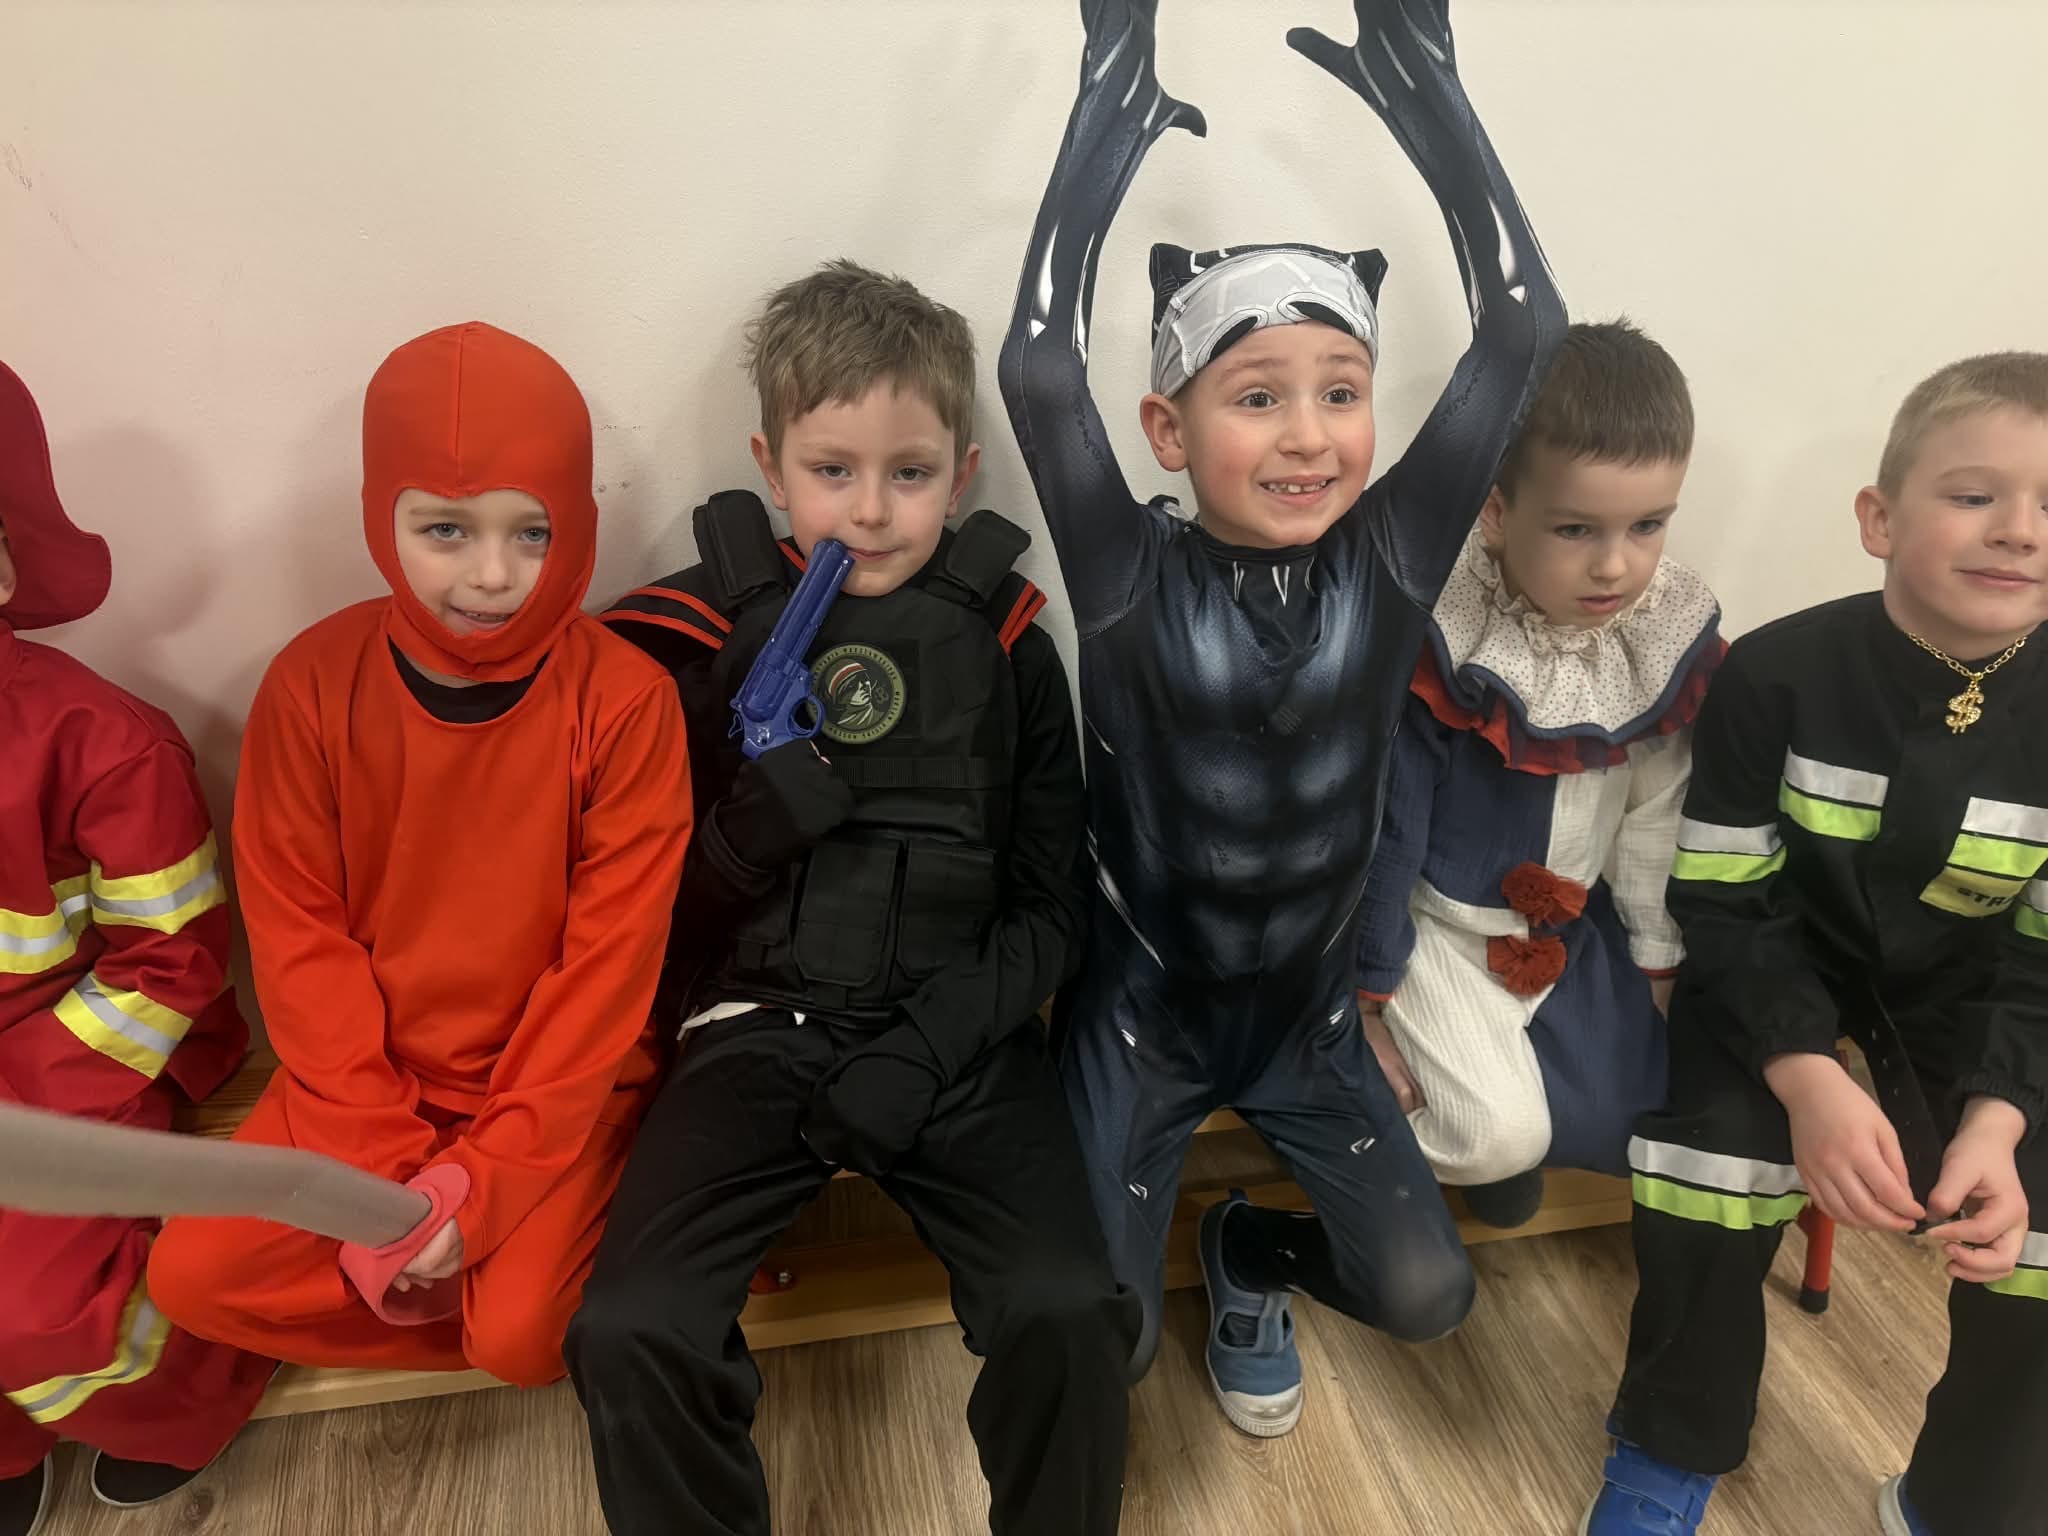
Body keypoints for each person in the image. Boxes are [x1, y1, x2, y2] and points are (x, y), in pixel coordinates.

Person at [998, 0, 1566, 1437]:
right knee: (1111, 1351)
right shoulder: (1125, 573)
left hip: (1306, 1023)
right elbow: (1037, 368)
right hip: (1144, 1018)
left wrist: (1437, 104)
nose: (1308, 434)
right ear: (1168, 431)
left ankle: (1246, 1250)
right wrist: (1101, 115)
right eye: (1257, 397)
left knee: (1428, 1293)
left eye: (1340, 393)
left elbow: (1524, 329)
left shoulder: (1389, 561)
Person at [566, 261, 1136, 1536]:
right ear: (770, 468)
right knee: (630, 1326)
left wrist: (923, 1052)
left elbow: (1052, 910)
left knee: (1069, 1313)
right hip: (749, 1031)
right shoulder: (698, 639)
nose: (870, 512)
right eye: (833, 471)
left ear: (963, 472)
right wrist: (739, 842)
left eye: (909, 473)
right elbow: (632, 920)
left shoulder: (1011, 648)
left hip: (959, 1036)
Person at [147, 322, 689, 1391]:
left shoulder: (628, 702)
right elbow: (300, 948)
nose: (492, 575)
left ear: (577, 524)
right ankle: (468, 1286)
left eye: (532, 532)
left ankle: (506, 1283)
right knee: (192, 1278)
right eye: (445, 528)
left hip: (556, 1095)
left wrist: (478, 1191)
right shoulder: (309, 687)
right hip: (360, 1091)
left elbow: (605, 975)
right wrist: (397, 1174)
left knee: (522, 1344)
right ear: (380, 516)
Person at [1584, 352, 2048, 1536]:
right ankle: (1666, 1447)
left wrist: (1995, 1121)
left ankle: (1962, 1500)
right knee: (1712, 1164)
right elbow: (1724, 899)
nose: (2018, 530)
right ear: (1877, 519)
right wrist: (1805, 1078)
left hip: (1974, 1006)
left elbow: (2040, 969)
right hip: (1770, 978)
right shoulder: (1774, 671)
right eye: (1974, 495)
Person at [1354, 320, 1720, 1229]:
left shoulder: (1656, 639)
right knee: (1493, 1138)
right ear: (1495, 512)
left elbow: (1653, 815)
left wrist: (1657, 966)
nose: (1616, 564)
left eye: (1648, 525)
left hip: (1566, 932)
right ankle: (1437, 1127)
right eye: (1575, 529)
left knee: (1640, 1108)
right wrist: (1365, 997)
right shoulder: (1448, 645)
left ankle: (1508, 1125)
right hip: (1441, 931)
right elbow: (1390, 835)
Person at [0, 358, 272, 1535]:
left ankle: (189, 1394)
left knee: (44, 1305)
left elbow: (169, 966)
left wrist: (27, 1099)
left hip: (82, 1063)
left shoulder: (104, 743)